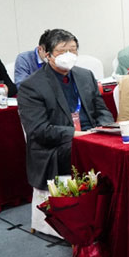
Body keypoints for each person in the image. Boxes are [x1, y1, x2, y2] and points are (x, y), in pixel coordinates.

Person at [17, 29, 114, 190]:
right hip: (56, 147)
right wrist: (79, 135)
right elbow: (39, 131)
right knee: (88, 150)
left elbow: (102, 110)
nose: (68, 55)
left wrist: (104, 129)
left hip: (92, 136)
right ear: (48, 55)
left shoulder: (85, 75)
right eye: (62, 51)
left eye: (72, 50)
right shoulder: (32, 86)